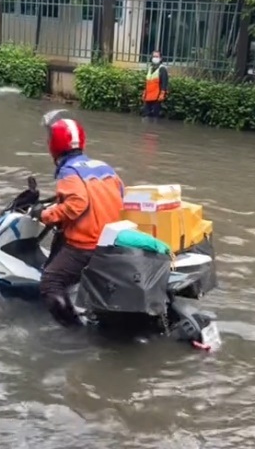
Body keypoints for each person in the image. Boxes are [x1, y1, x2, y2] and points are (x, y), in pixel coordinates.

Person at [31, 116, 124, 326]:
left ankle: (72, 331)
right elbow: (121, 193)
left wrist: (44, 215)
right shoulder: (104, 166)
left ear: (53, 145)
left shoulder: (68, 170)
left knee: (50, 282)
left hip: (86, 245)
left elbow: (77, 203)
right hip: (111, 240)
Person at [142, 50, 168, 118]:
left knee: (154, 117)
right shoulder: (150, 68)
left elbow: (164, 83)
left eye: (157, 56)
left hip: (157, 97)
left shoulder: (162, 69)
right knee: (146, 115)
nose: (155, 58)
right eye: (154, 56)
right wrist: (144, 92)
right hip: (148, 96)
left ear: (160, 58)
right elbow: (148, 82)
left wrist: (162, 94)